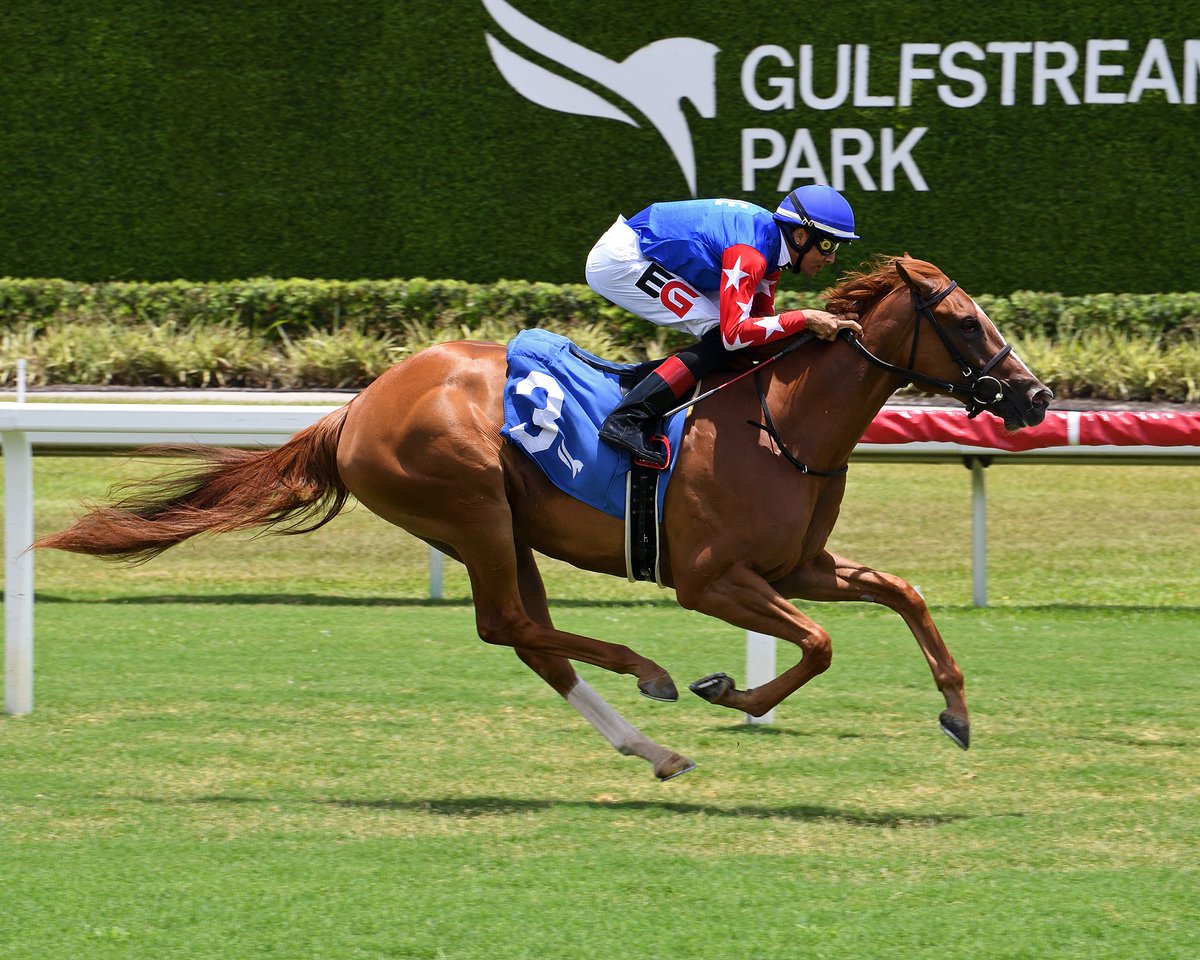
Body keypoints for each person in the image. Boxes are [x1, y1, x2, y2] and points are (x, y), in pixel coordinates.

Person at [585, 185, 864, 467]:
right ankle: (626, 419)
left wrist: (816, 329)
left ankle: (648, 387)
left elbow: (762, 330)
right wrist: (806, 318)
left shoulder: (771, 252)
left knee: (731, 337)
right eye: (828, 245)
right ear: (801, 236)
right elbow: (734, 335)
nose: (831, 258)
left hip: (645, 250)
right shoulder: (752, 254)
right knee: (721, 335)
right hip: (622, 260)